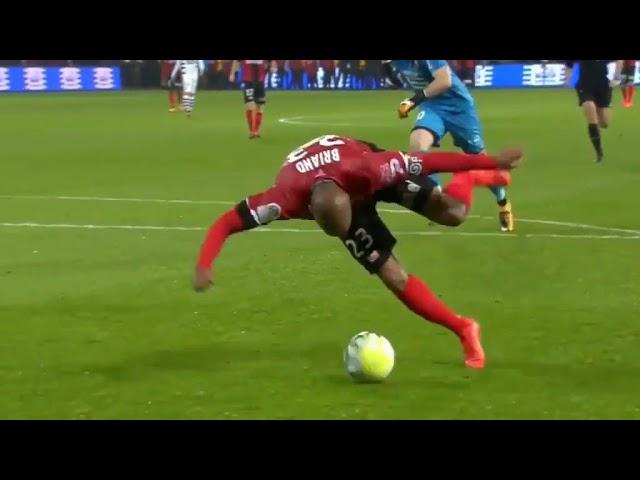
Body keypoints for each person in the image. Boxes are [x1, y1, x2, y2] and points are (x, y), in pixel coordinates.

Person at [193, 135, 524, 369]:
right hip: (326, 183)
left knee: (453, 214)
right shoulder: (284, 198)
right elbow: (228, 221)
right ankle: (465, 328)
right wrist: (205, 264)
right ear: (307, 210)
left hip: (357, 169)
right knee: (394, 277)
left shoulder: (375, 167)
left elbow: (428, 160)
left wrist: (492, 160)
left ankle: (469, 177)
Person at [382, 60, 515, 232]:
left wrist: (414, 100)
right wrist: (385, 67)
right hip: (432, 108)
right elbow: (396, 82)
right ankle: (438, 200)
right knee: (419, 147)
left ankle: (503, 202)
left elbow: (444, 81)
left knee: (480, 160)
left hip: (459, 108)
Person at [565, 60, 623, 162]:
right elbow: (569, 63)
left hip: (603, 85)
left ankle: (600, 107)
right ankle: (599, 153)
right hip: (585, 84)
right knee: (590, 111)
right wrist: (568, 78)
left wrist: (617, 76)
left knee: (604, 123)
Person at [230, 60, 274, 138]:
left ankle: (256, 131)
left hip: (260, 82)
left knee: (260, 106)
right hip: (248, 82)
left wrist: (272, 67)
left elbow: (271, 62)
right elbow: (236, 61)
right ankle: (252, 131)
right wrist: (232, 73)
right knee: (250, 105)